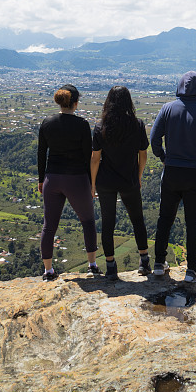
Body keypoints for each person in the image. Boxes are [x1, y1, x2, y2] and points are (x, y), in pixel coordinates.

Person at [150, 71, 196, 283]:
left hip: (172, 171)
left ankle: (158, 264)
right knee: (194, 223)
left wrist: (163, 157)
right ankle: (191, 270)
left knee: (165, 218)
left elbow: (154, 139)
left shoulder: (167, 109)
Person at [38, 84, 98, 281]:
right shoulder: (81, 125)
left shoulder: (47, 122)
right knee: (88, 222)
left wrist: (41, 180)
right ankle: (92, 265)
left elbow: (41, 154)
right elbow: (87, 156)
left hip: (52, 178)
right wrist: (91, 183)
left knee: (49, 226)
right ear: (75, 103)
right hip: (76, 178)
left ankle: (48, 271)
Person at [90, 86, 150, 280]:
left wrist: (92, 184)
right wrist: (138, 176)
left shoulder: (101, 127)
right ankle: (144, 261)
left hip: (105, 182)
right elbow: (143, 154)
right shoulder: (137, 125)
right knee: (137, 219)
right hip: (129, 180)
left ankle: (110, 266)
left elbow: (95, 158)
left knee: (108, 222)